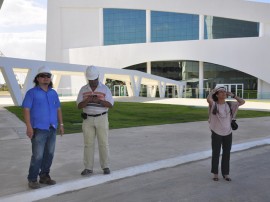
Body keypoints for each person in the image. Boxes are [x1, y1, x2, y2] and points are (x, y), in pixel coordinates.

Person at [22, 66, 64, 189]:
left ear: (50, 78)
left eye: (48, 76)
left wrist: (61, 124)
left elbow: (58, 109)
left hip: (52, 128)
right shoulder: (32, 93)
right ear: (37, 78)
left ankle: (44, 176)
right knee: (38, 155)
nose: (45, 78)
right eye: (42, 76)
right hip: (38, 129)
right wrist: (29, 126)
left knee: (49, 154)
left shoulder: (53, 93)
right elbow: (26, 109)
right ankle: (32, 179)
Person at [77, 65, 114, 176]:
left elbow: (110, 105)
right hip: (88, 119)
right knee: (88, 144)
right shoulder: (83, 89)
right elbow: (79, 106)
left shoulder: (105, 89)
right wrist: (87, 100)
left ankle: (105, 166)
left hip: (102, 118)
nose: (93, 82)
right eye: (91, 80)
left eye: (94, 80)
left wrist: (99, 101)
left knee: (103, 143)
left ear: (98, 77)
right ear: (87, 78)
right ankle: (88, 168)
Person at [207, 85, 245, 182]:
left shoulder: (229, 105)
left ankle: (226, 174)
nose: (223, 93)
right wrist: (212, 91)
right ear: (217, 94)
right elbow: (208, 99)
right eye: (221, 92)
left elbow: (242, 102)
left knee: (226, 153)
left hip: (228, 132)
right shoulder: (214, 105)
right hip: (216, 132)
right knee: (216, 153)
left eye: (224, 92)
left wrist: (233, 95)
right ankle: (215, 174)